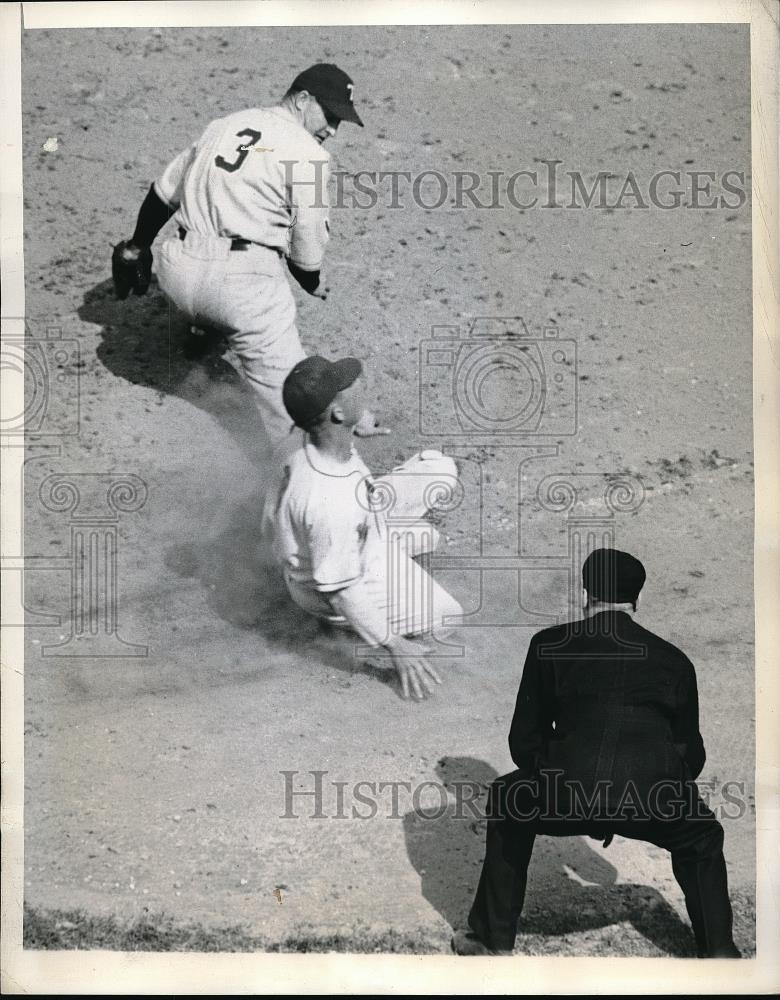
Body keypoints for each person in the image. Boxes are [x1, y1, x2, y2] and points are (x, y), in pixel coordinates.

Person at [452, 548, 741, 958]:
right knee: (702, 837)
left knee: (506, 798)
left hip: (565, 791)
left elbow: (524, 743)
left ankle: (489, 940)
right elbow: (690, 754)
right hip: (653, 797)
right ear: (635, 601)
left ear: (586, 594)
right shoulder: (675, 661)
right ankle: (719, 953)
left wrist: (573, 784)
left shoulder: (549, 644)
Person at [111, 63, 383, 446]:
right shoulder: (310, 155)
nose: (333, 130)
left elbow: (163, 193)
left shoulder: (225, 124)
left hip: (177, 275)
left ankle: (201, 329)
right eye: (331, 115)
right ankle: (306, 474)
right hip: (239, 293)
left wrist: (137, 244)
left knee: (214, 279)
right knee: (298, 404)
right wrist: (313, 282)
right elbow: (305, 252)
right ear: (302, 99)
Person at [262, 355, 463, 700]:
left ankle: (394, 552)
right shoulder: (329, 501)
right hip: (335, 582)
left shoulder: (304, 437)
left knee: (440, 470)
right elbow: (342, 591)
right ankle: (354, 631)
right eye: (348, 388)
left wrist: (351, 426)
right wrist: (394, 646)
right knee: (448, 616)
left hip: (351, 529)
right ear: (336, 414)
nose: (360, 385)